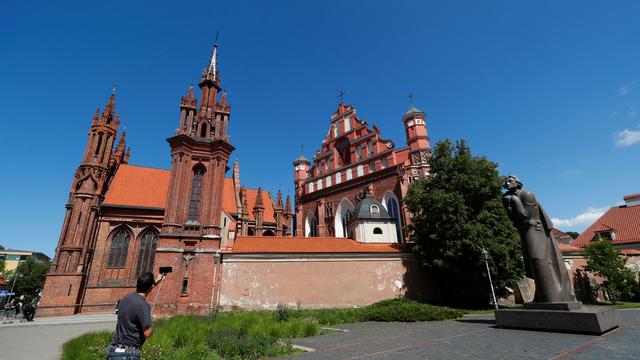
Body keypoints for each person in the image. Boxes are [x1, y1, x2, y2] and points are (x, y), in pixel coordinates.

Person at [502, 175, 575, 303]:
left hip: (535, 230)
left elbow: (525, 217)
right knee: (531, 262)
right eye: (506, 181)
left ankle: (551, 298)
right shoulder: (507, 197)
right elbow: (514, 220)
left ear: (518, 183)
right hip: (524, 231)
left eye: (510, 181)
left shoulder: (527, 194)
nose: (507, 183)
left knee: (538, 258)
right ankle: (542, 295)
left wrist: (513, 200)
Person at [106, 272, 164, 359]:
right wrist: (151, 322)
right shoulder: (143, 305)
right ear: (151, 286)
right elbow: (147, 333)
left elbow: (142, 290)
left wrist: (155, 282)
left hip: (113, 351)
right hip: (129, 354)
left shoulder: (127, 297)